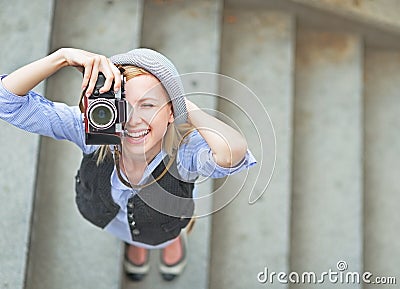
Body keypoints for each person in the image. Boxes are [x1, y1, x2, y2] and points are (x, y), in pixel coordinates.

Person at [0, 47, 256, 281]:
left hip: (167, 220)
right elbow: (6, 101)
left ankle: (169, 241)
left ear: (170, 112)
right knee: (134, 232)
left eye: (148, 105)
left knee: (165, 232)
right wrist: (62, 57)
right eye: (123, 105)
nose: (133, 120)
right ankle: (137, 242)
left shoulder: (184, 154)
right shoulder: (95, 134)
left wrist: (182, 105)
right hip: (113, 218)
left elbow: (232, 152)